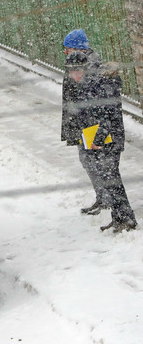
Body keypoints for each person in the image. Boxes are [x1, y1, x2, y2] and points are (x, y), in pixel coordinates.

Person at [62, 46, 137, 233]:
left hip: (108, 140)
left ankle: (127, 220)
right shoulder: (88, 84)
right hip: (100, 138)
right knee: (108, 178)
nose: (71, 76)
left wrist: (99, 138)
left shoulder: (97, 85)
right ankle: (119, 217)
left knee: (112, 179)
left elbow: (106, 115)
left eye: (73, 72)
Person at [61, 29, 105, 215]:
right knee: (89, 160)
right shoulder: (82, 62)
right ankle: (102, 197)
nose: (65, 52)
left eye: (68, 48)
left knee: (93, 161)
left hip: (90, 123)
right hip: (85, 121)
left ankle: (105, 199)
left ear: (78, 48)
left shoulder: (88, 66)